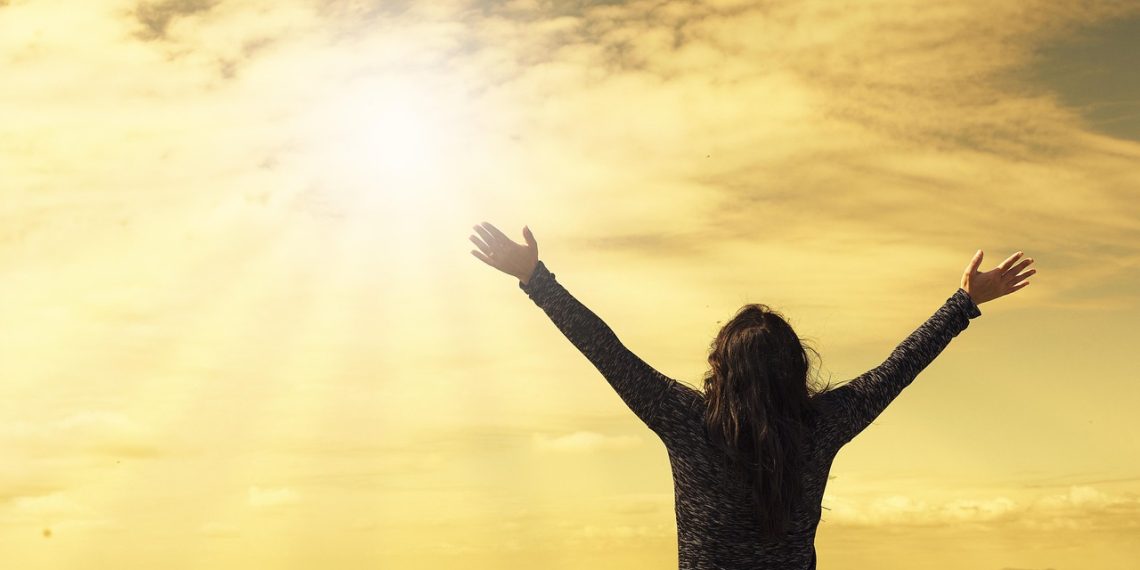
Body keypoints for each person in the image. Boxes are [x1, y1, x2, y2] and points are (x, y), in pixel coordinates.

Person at [468, 221, 1036, 570]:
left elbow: (606, 351)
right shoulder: (823, 424)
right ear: (795, 367)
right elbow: (899, 367)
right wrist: (963, 302)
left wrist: (536, 279)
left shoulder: (687, 421)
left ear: (721, 367)